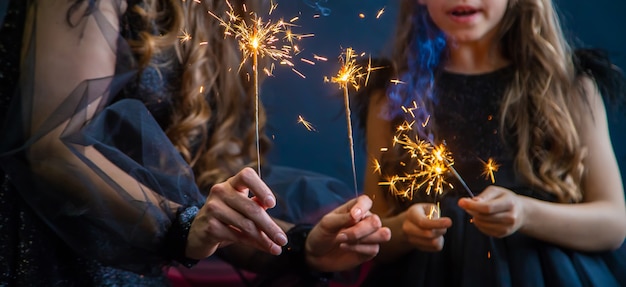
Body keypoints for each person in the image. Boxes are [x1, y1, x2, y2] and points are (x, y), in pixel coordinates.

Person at [0, 0, 390, 286]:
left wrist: (301, 246)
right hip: (40, 267)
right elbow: (56, 145)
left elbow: (208, 193)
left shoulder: (223, 12)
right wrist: (183, 225)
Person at [356, 0, 626, 285]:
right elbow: (375, 235)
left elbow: (613, 224)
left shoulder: (568, 87)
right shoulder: (391, 97)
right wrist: (404, 228)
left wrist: (525, 213)